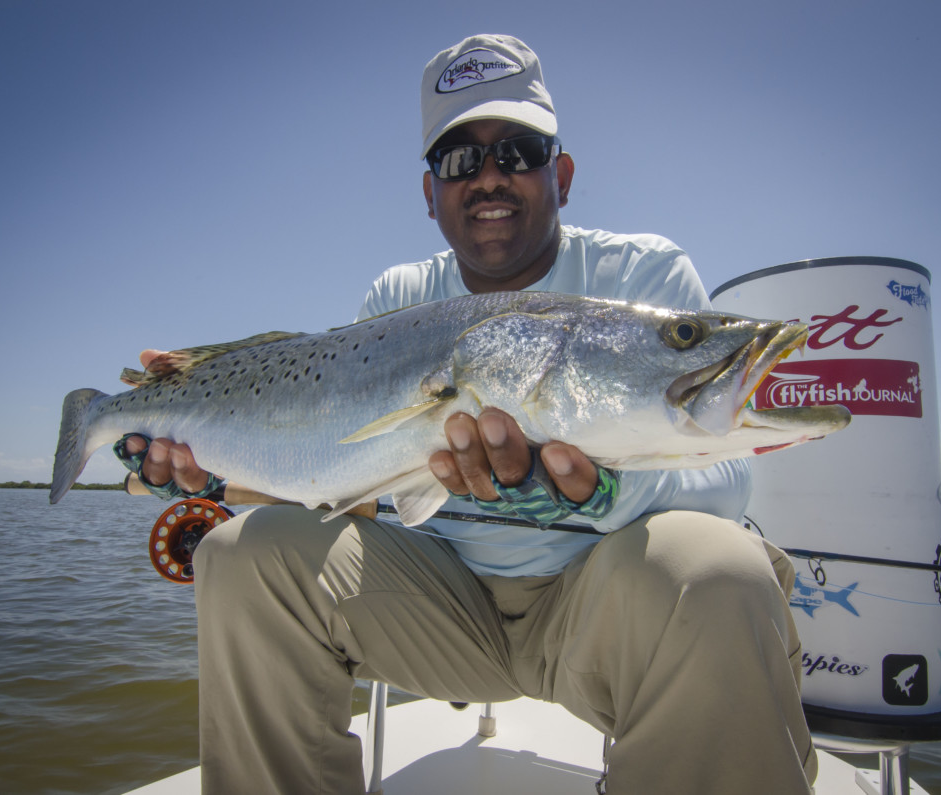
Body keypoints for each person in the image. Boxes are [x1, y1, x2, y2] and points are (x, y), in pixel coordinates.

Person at [122, 34, 817, 794]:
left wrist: (605, 493)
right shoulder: (395, 301)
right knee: (238, 553)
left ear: (564, 173)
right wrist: (218, 475)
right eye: (460, 160)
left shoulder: (641, 276)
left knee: (721, 569)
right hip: (440, 600)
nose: (490, 177)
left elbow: (725, 479)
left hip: (600, 606)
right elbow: (355, 488)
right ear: (430, 194)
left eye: (518, 151)